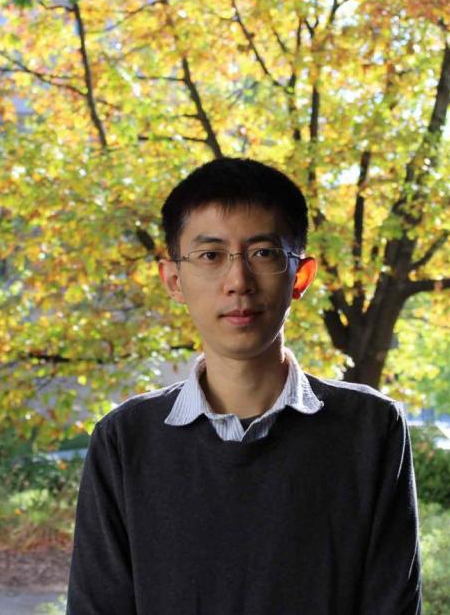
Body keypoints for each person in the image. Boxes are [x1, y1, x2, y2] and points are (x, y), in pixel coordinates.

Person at [66, 157, 422, 614]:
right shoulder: (124, 440)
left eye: (263, 253)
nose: (238, 282)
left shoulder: (371, 430)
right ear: (174, 279)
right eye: (211, 256)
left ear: (301, 276)